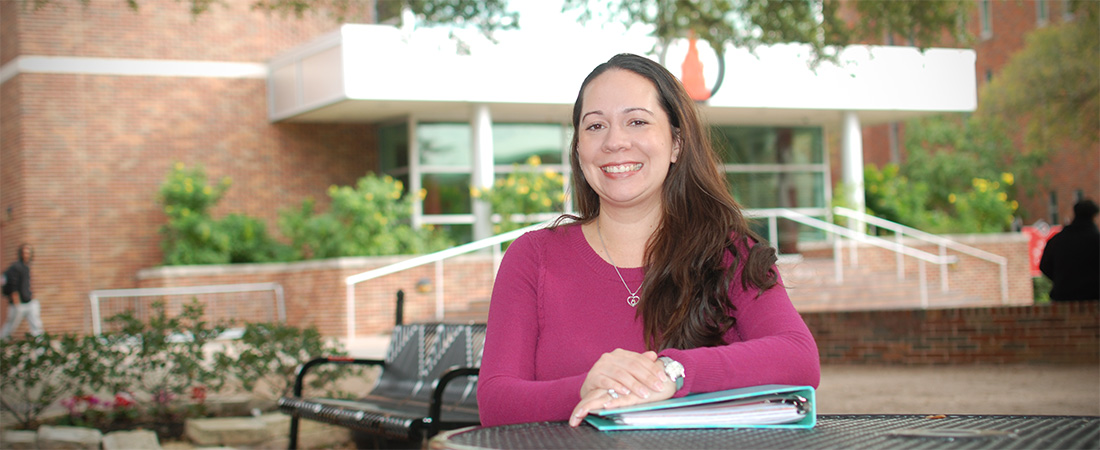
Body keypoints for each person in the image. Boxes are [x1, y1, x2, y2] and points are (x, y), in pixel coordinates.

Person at [477, 54, 820, 427]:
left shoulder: (729, 253)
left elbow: (798, 359)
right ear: (578, 149)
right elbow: (496, 402)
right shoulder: (533, 256)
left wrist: (671, 373)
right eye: (595, 127)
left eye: (637, 121)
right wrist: (588, 389)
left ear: (676, 143)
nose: (614, 142)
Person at [1040, 199, 1100, 301]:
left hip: (1062, 297)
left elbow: (1044, 266)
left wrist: (1062, 280)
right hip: (1094, 298)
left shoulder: (1057, 240)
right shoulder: (1096, 240)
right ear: (1093, 216)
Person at [0, 243, 44, 339]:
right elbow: (12, 285)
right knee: (10, 327)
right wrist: (16, 302)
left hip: (29, 302)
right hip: (19, 304)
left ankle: (40, 347)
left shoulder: (26, 267)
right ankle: (2, 344)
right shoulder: (16, 267)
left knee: (36, 326)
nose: (26, 255)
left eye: (28, 253)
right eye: (24, 253)